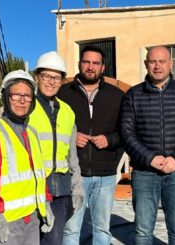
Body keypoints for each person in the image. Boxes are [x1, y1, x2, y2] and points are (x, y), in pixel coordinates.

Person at [120, 46, 175, 245]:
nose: (157, 66)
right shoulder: (133, 94)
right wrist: (150, 158)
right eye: (152, 62)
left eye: (162, 61)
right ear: (146, 64)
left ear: (171, 63)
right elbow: (126, 133)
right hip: (144, 173)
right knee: (142, 232)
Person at [0, 70, 54, 245]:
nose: (23, 100)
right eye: (16, 95)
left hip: (31, 220)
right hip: (4, 223)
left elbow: (38, 174)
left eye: (27, 96)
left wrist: (46, 202)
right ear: (6, 97)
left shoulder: (32, 133)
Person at [57, 45, 124, 245]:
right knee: (70, 230)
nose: (90, 67)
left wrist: (109, 140)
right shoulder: (63, 94)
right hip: (74, 174)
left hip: (105, 175)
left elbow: (126, 131)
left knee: (102, 230)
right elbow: (52, 129)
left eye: (96, 63)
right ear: (79, 64)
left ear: (103, 67)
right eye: (86, 62)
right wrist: (72, 137)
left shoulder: (116, 95)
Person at [28, 51, 84, 245]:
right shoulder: (25, 107)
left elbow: (72, 156)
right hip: (30, 189)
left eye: (57, 77)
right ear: (37, 77)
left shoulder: (68, 112)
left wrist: (77, 188)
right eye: (46, 76)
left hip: (60, 190)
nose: (51, 82)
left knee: (53, 241)